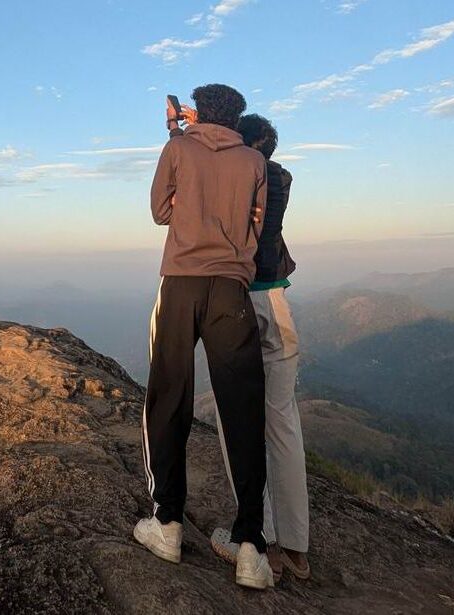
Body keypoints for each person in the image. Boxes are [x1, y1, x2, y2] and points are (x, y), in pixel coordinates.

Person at [133, 84, 273, 590]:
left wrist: (177, 137)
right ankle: (250, 547)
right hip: (232, 290)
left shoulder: (178, 147)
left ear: (198, 111)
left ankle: (167, 523)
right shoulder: (253, 162)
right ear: (237, 116)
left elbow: (159, 211)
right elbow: (255, 227)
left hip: (182, 283)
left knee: (169, 395)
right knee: (242, 407)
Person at [208, 114, 310, 583]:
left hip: (240, 301)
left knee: (237, 420)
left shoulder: (238, 176)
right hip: (278, 301)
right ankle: (296, 547)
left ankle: (258, 538)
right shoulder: (280, 177)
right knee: (284, 421)